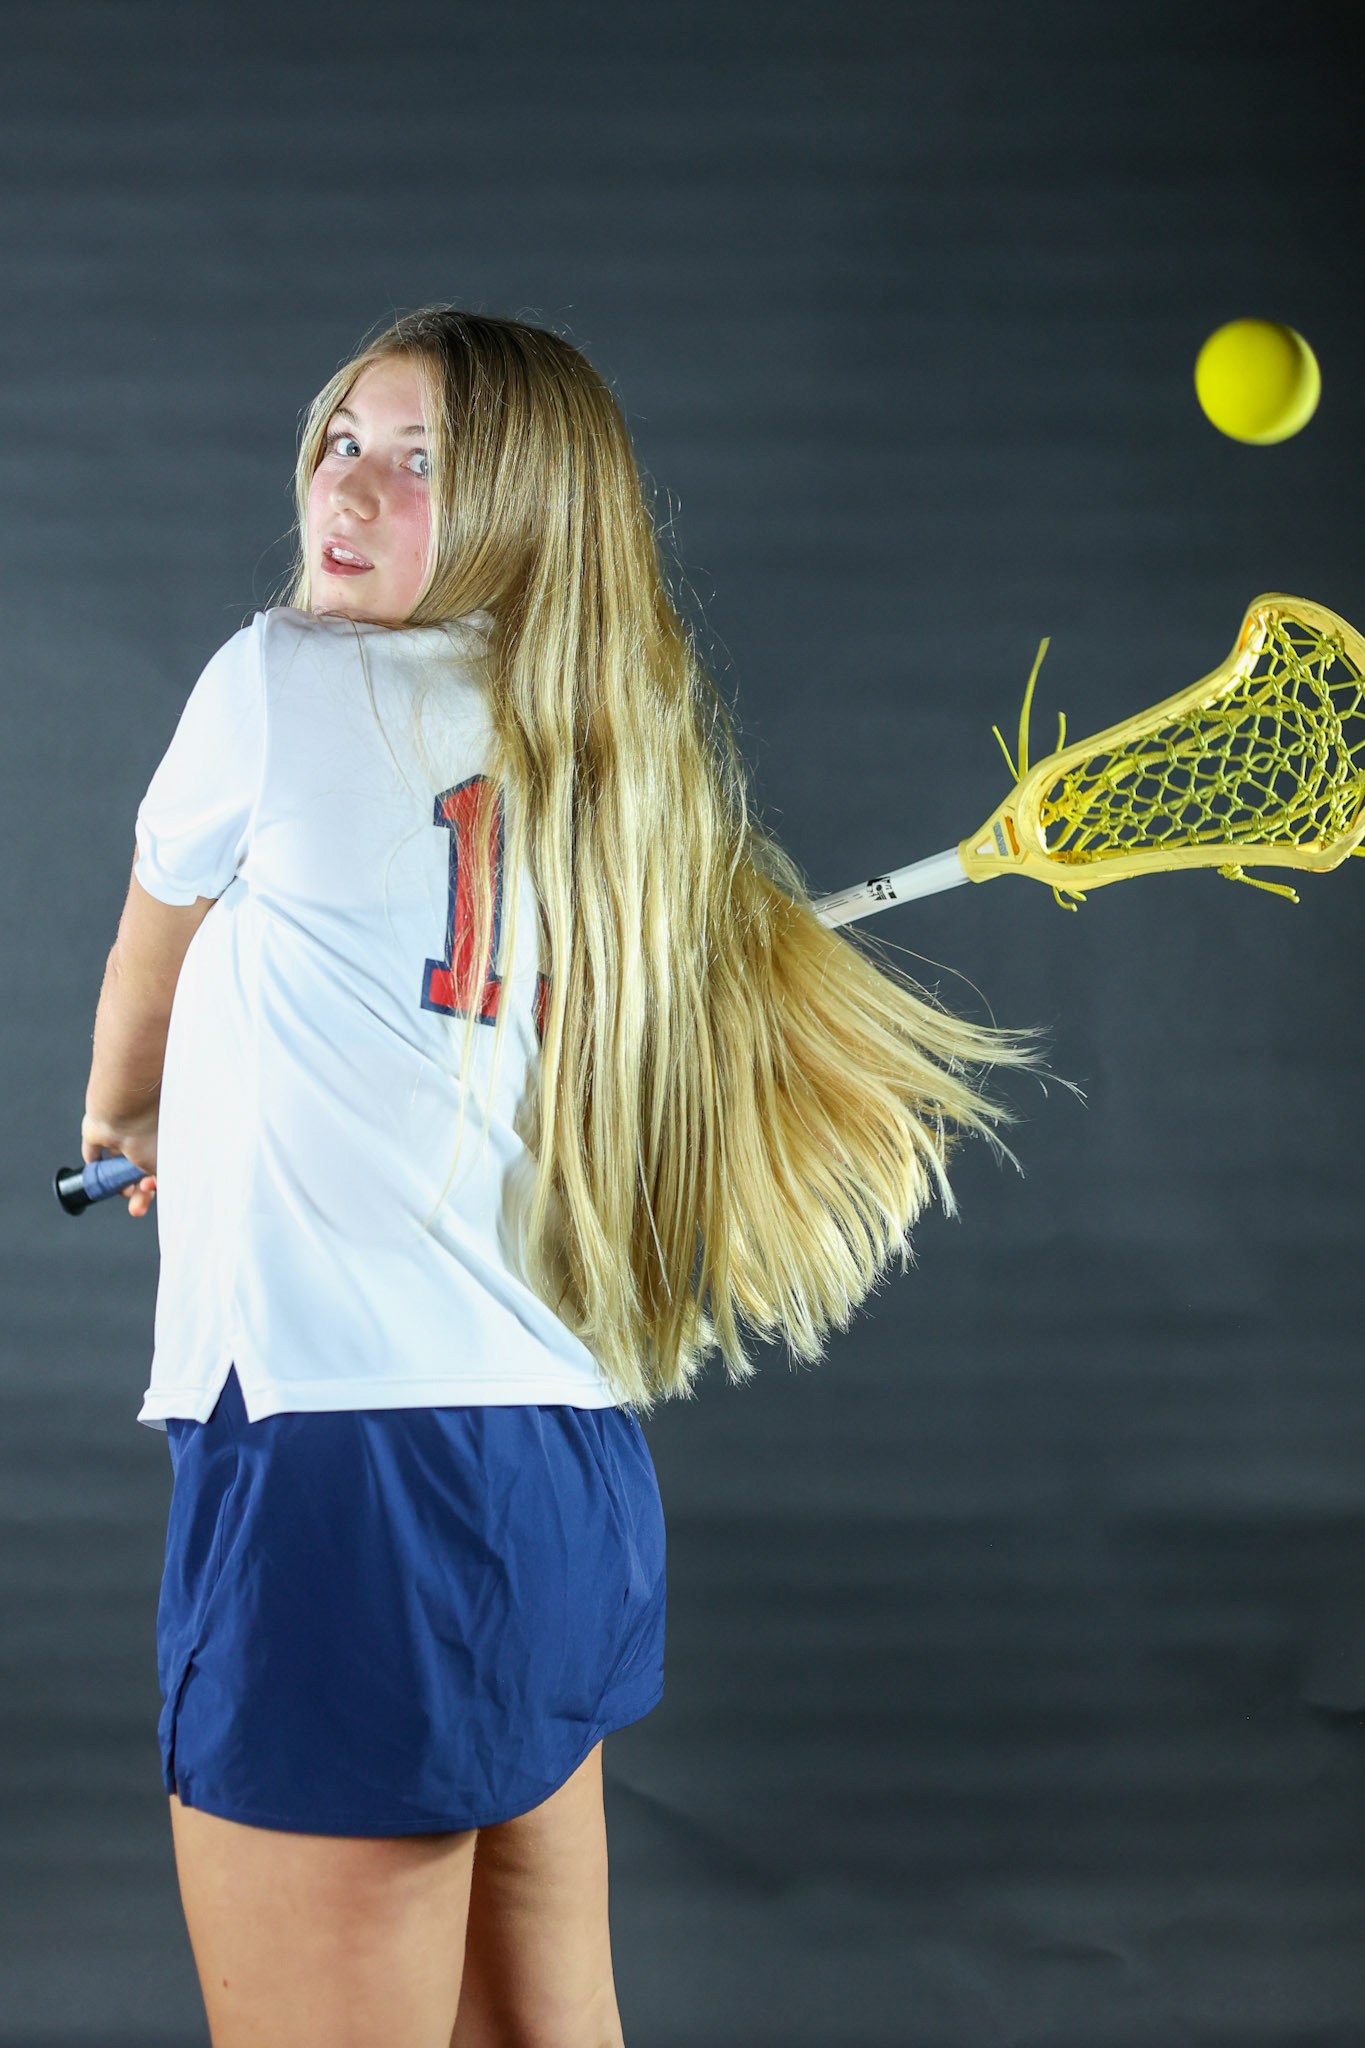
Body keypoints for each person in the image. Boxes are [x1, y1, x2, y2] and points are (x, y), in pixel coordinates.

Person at [79, 307, 1032, 2047]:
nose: (346, 491)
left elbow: (165, 898)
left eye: (420, 463)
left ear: (528, 502)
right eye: (342, 439)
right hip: (558, 1477)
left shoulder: (280, 680)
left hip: (343, 1484)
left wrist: (122, 1107)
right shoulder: (629, 771)